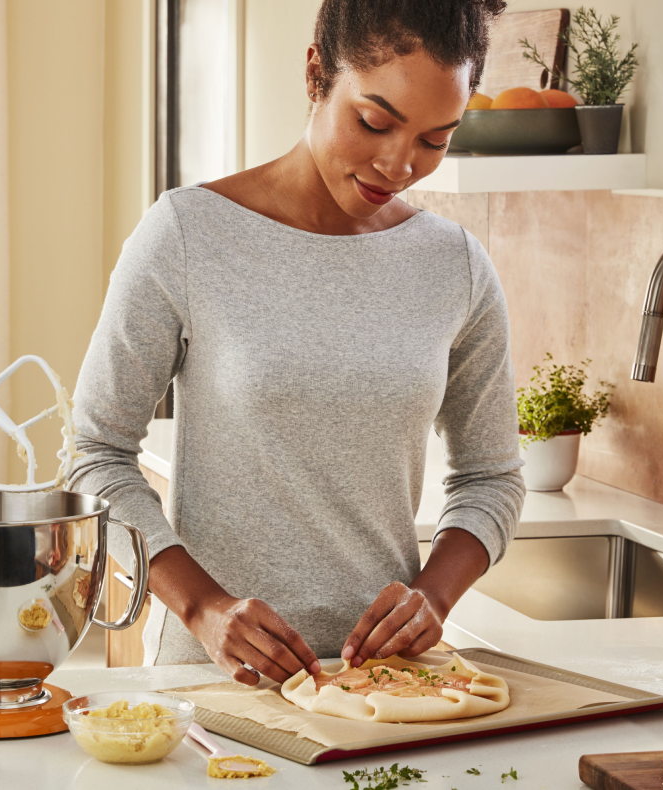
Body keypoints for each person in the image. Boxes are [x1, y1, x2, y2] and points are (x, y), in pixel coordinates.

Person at [69, 0, 524, 686]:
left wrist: (433, 596)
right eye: (375, 121)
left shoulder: (453, 264)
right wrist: (204, 608)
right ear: (317, 74)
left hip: (385, 690)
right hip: (218, 685)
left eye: (435, 139)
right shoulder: (188, 236)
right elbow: (95, 455)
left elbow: (492, 477)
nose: (399, 164)